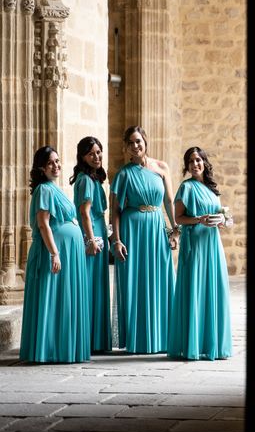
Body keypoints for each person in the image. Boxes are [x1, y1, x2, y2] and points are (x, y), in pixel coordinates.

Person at [110, 125, 178, 353]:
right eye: (131, 142)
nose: (135, 146)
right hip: (133, 230)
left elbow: (169, 202)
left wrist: (174, 230)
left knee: (161, 278)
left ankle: (164, 337)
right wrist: (117, 241)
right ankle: (140, 339)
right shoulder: (123, 174)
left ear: (145, 141)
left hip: (156, 228)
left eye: (138, 141)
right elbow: (115, 212)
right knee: (136, 282)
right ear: (126, 147)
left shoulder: (162, 167)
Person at [19, 145, 91, 363]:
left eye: (57, 161)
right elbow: (43, 224)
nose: (56, 165)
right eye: (50, 162)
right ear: (41, 168)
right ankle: (48, 350)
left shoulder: (55, 188)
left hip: (69, 252)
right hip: (55, 252)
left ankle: (62, 349)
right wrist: (55, 253)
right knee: (52, 299)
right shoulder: (44, 190)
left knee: (64, 300)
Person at [168, 146, 233, 360]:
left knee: (214, 289)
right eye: (191, 161)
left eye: (198, 160)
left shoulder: (212, 189)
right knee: (195, 288)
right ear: (187, 166)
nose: (195, 164)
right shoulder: (186, 187)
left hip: (212, 245)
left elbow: (220, 215)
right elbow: (179, 218)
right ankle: (193, 344)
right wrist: (199, 219)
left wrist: (222, 220)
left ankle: (212, 343)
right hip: (195, 244)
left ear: (204, 162)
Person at [70, 136, 112, 353]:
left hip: (99, 233)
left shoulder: (94, 179)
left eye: (98, 152)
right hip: (92, 236)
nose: (96, 157)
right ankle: (87, 339)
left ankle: (94, 340)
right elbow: (84, 213)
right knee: (89, 286)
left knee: (96, 285)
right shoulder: (85, 180)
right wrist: (91, 240)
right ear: (82, 157)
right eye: (91, 154)